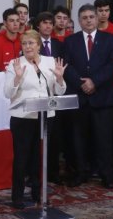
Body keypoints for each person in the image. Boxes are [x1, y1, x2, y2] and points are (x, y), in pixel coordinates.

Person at [4, 29, 66, 209]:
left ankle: (38, 194)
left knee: (40, 157)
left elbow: (59, 91)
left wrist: (60, 78)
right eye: (24, 43)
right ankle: (17, 196)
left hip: (45, 116)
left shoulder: (50, 61)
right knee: (22, 158)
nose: (27, 47)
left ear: (39, 45)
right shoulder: (15, 63)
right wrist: (17, 77)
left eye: (31, 43)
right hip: (22, 118)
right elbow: (7, 93)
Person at [63, 3, 113, 189]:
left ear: (97, 18)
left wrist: (94, 82)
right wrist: (81, 83)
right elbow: (66, 66)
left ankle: (107, 175)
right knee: (79, 140)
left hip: (102, 97)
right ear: (79, 21)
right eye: (84, 17)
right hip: (79, 98)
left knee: (104, 140)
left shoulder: (110, 39)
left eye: (91, 17)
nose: (88, 20)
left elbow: (111, 65)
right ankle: (81, 173)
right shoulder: (70, 41)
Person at [34, 11, 65, 184]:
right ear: (38, 25)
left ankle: (53, 173)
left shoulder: (59, 45)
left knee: (54, 138)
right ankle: (36, 175)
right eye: (44, 23)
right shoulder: (31, 44)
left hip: (55, 97)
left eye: (50, 23)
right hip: (36, 97)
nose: (48, 26)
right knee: (37, 139)